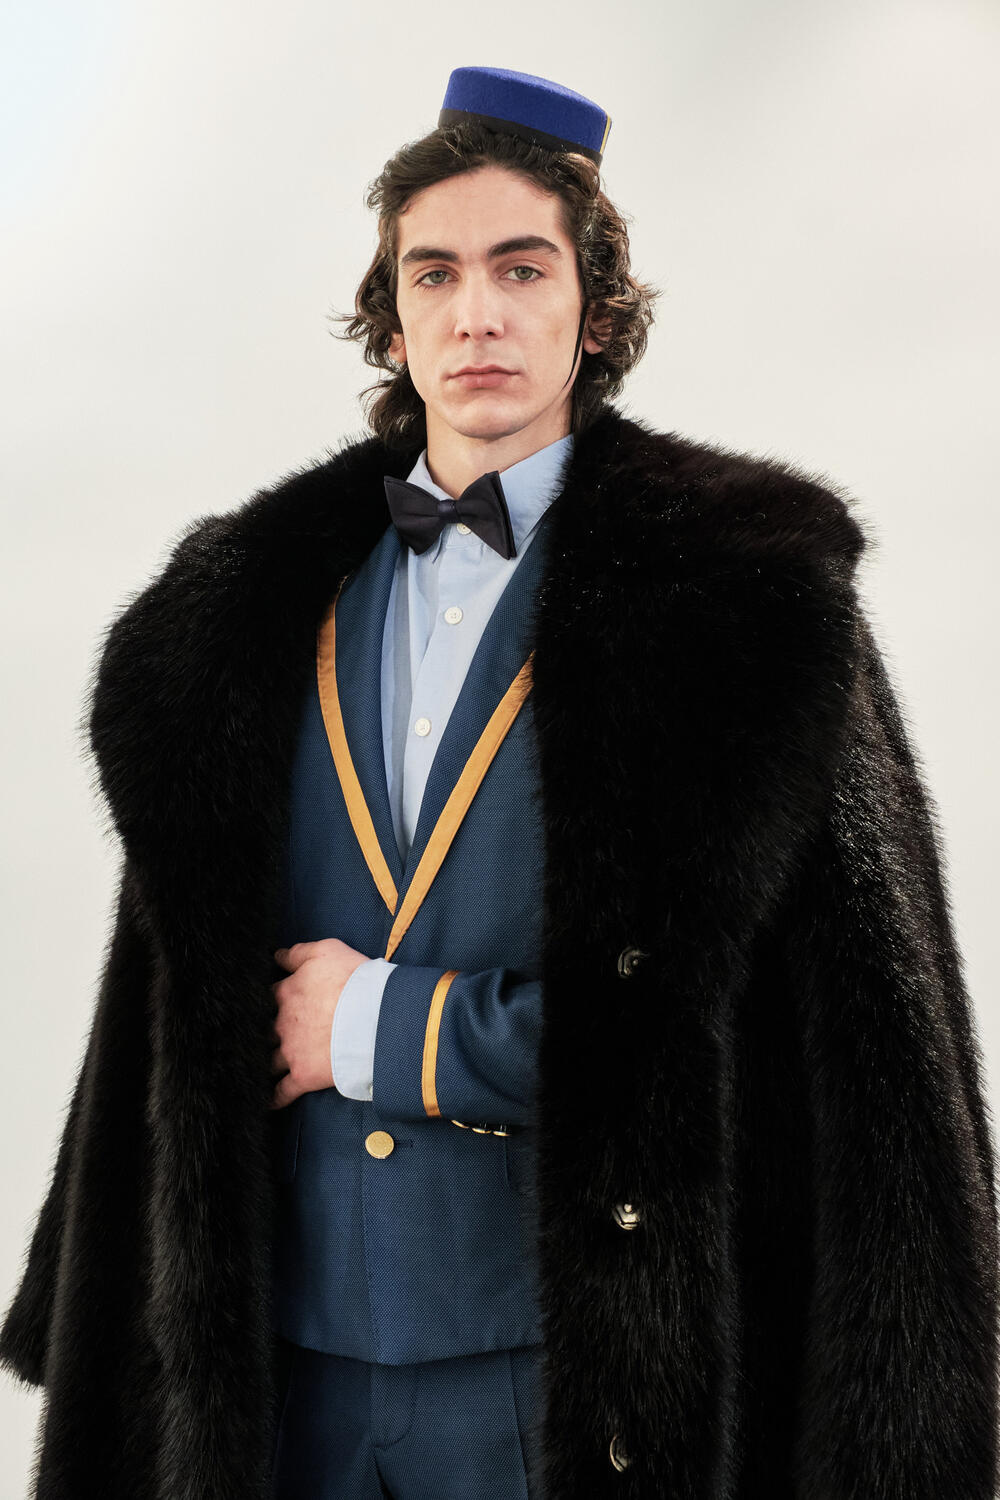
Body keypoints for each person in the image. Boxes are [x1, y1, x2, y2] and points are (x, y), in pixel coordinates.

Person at [2, 64, 997, 1500]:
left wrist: (383, 1030)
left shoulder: (743, 605)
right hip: (282, 1386)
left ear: (594, 311)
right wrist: (93, 1297)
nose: (477, 313)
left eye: (521, 269)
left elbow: (797, 1043)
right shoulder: (245, 613)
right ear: (393, 318)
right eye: (437, 274)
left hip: (564, 1388)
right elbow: (153, 1019)